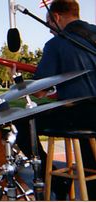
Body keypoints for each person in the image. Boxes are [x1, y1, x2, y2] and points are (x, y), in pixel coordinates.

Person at [14, 0, 96, 200]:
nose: (50, 30)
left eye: (49, 23)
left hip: (82, 116)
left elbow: (40, 91)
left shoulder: (57, 43)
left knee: (22, 123)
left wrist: (18, 81)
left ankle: (56, 182)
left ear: (57, 17)